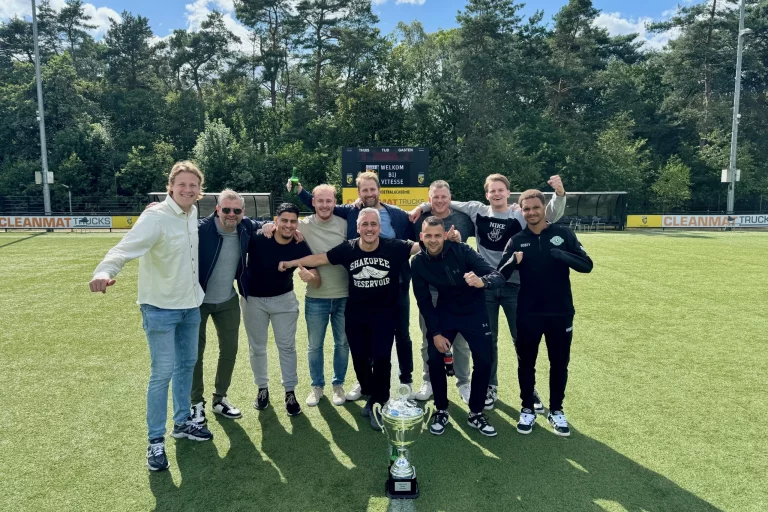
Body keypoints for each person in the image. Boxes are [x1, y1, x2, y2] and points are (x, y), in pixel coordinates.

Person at [89, 161, 212, 472]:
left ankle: (182, 422)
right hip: (159, 309)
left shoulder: (192, 212)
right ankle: (155, 441)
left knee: (187, 365)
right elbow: (123, 249)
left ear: (199, 191)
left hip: (190, 306)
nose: (187, 190)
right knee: (162, 373)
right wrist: (104, 271)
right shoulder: (155, 217)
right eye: (181, 184)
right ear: (170, 186)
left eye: (193, 185)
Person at [411, 174, 566, 410]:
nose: (496, 194)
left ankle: (529, 389)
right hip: (484, 286)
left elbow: (548, 215)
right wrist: (422, 205)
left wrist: (559, 194)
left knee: (521, 339)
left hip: (513, 284)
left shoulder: (517, 213)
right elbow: (445, 202)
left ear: (507, 192)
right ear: (486, 194)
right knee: (488, 340)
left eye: (500, 190)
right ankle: (489, 386)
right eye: (492, 191)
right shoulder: (476, 210)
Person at [279, 208, 421, 430]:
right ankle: (371, 393)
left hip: (384, 314)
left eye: (373, 224)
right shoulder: (349, 248)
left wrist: (443, 238)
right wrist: (289, 263)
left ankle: (379, 402)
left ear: (379, 227)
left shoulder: (392, 247)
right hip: (356, 315)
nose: (369, 229)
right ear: (358, 228)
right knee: (360, 359)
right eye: (365, 224)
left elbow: (417, 246)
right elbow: (320, 258)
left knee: (382, 358)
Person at [294, 172, 418, 399]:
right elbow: (322, 204)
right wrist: (301, 192)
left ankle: (406, 380)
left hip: (396, 284)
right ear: (358, 193)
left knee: (401, 334)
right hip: (361, 287)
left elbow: (419, 238)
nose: (369, 193)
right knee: (365, 338)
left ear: (379, 190)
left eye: (373, 189)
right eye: (365, 190)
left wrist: (425, 207)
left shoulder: (398, 214)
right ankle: (366, 383)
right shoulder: (351, 212)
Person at [498, 190, 593, 437]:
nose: (531, 212)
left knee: (559, 363)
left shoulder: (563, 234)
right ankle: (527, 408)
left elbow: (587, 265)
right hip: (528, 312)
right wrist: (512, 263)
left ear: (543, 208)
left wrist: (562, 255)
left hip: (560, 312)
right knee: (526, 363)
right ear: (521, 210)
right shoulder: (517, 239)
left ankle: (557, 410)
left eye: (535, 207)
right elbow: (500, 275)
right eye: (526, 209)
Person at [412, 216, 506, 437]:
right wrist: (434, 333)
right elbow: (423, 301)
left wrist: (483, 282)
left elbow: (497, 276)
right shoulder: (417, 262)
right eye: (428, 236)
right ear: (421, 237)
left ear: (445, 235)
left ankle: (476, 413)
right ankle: (441, 409)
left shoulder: (462, 250)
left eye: (437, 235)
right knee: (434, 358)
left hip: (474, 312)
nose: (433, 240)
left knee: (484, 360)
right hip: (446, 312)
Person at [266, 183, 350, 407]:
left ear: (335, 202)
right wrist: (267, 225)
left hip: (345, 295)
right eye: (320, 200)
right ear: (313, 202)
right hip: (316, 297)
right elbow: (281, 225)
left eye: (329, 200)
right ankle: (317, 386)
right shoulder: (301, 225)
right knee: (315, 345)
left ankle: (338, 385)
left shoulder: (345, 224)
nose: (324, 205)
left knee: (342, 344)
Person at [190, 189, 264, 426]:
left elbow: (267, 223)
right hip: (196, 301)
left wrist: (272, 225)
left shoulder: (245, 228)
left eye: (237, 210)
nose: (231, 214)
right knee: (194, 353)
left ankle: (219, 398)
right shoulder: (200, 229)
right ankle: (195, 404)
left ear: (243, 212)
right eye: (226, 209)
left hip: (228, 301)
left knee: (230, 350)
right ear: (217, 209)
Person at [242, 203, 320, 417]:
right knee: (257, 347)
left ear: (297, 224)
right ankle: (262, 389)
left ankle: (290, 392)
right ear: (275, 221)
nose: (288, 225)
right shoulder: (258, 237)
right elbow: (242, 222)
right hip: (253, 301)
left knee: (286, 347)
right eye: (283, 220)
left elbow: (316, 276)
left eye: (293, 221)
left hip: (284, 301)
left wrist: (310, 277)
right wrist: (264, 225)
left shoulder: (299, 243)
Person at [411, 180, 475, 403]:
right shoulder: (419, 218)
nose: (439, 200)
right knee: (429, 338)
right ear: (429, 199)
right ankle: (428, 380)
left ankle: (464, 382)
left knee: (460, 341)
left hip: (458, 291)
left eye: (443, 197)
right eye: (435, 197)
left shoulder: (462, 219)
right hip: (429, 289)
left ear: (450, 198)